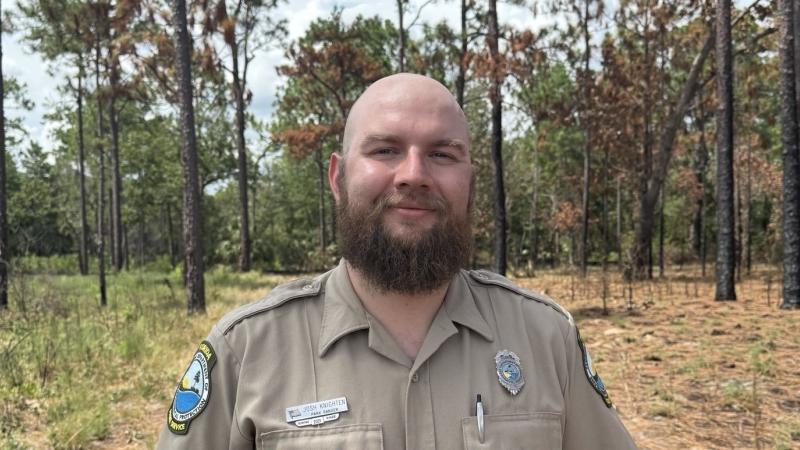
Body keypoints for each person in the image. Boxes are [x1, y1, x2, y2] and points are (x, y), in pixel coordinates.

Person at [156, 73, 638, 449]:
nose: (414, 175)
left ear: (469, 180)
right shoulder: (246, 352)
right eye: (385, 150)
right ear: (337, 177)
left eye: (442, 154)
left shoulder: (546, 339)